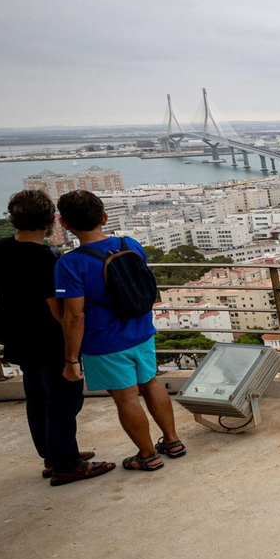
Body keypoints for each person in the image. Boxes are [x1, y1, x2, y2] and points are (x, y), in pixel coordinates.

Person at [0, 191, 114, 485]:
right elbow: (59, 311)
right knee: (64, 403)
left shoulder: (3, 247)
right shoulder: (45, 259)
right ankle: (66, 465)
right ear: (52, 221)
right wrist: (75, 346)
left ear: (13, 219)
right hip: (48, 341)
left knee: (38, 399)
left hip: (19, 338)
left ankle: (53, 456)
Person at [55, 191, 184, 472]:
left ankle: (148, 455)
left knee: (126, 398)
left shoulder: (70, 263)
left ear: (64, 224)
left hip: (105, 342)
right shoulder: (131, 244)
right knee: (151, 384)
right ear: (104, 217)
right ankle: (172, 441)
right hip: (142, 331)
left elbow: (75, 314)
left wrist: (71, 359)